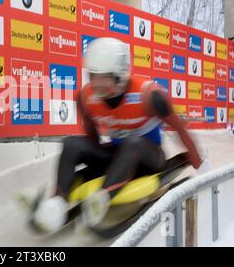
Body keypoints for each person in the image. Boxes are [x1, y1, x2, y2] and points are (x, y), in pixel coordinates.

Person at [33, 37, 207, 232]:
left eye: (103, 77)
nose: (96, 83)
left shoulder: (149, 95)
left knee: (132, 143)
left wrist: (198, 162)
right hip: (117, 156)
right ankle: (57, 204)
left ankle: (101, 199)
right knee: (72, 143)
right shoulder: (85, 97)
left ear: (120, 75)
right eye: (93, 76)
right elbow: (91, 137)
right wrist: (93, 161)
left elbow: (179, 129)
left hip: (149, 159)